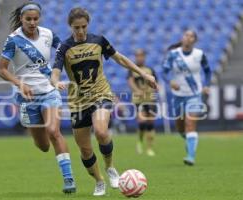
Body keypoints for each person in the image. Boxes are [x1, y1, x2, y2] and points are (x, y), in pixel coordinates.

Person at [51, 7, 158, 196]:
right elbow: (56, 71)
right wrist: (55, 82)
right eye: (77, 28)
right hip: (78, 101)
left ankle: (110, 167)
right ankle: (99, 181)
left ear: (88, 24)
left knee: (101, 131)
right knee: (85, 149)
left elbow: (120, 59)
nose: (81, 31)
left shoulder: (98, 41)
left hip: (101, 93)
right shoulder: (64, 47)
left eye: (84, 26)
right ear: (70, 27)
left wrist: (143, 74)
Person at [0, 2, 76, 193]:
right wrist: (20, 84)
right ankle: (46, 145)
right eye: (28, 19)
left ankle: (69, 179)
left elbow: (65, 52)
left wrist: (56, 78)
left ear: (39, 18)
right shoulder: (13, 40)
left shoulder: (48, 34)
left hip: (49, 92)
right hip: (27, 98)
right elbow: (1, 70)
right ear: (21, 19)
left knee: (54, 131)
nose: (32, 22)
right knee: (43, 146)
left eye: (35, 19)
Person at [162, 30, 212, 166]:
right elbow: (164, 72)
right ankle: (189, 141)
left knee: (190, 123)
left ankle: (191, 156)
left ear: (194, 40)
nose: (188, 38)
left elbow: (207, 70)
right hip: (178, 96)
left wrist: (207, 85)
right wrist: (170, 81)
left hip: (194, 94)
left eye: (191, 36)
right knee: (180, 128)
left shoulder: (199, 54)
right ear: (182, 38)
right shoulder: (173, 54)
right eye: (186, 35)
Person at [128, 49, 157, 156]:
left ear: (144, 57)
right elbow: (130, 81)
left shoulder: (150, 70)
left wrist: (155, 88)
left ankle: (150, 148)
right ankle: (140, 141)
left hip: (150, 99)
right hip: (138, 100)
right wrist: (136, 90)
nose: (139, 58)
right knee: (142, 122)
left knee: (150, 124)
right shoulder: (132, 70)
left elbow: (155, 82)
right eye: (137, 56)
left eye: (141, 56)